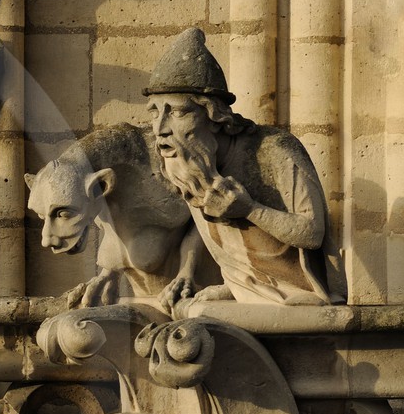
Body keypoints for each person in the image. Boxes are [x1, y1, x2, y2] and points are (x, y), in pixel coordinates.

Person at [142, 28, 338, 305]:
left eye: (177, 112)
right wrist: (193, 273)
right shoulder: (185, 163)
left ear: (213, 116)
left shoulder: (275, 150)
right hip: (243, 291)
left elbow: (312, 233)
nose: (160, 129)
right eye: (154, 111)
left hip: (298, 298)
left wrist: (250, 209)